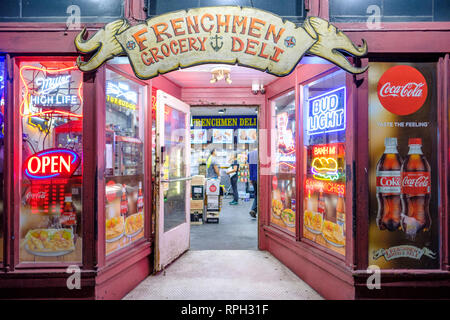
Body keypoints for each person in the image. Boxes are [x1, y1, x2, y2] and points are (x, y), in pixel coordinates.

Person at [248, 148, 258, 218]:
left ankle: (254, 209)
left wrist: (250, 178)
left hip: (254, 177)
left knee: (256, 194)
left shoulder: (250, 154)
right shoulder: (262, 152)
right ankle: (253, 209)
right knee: (260, 195)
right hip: (261, 177)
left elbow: (249, 167)